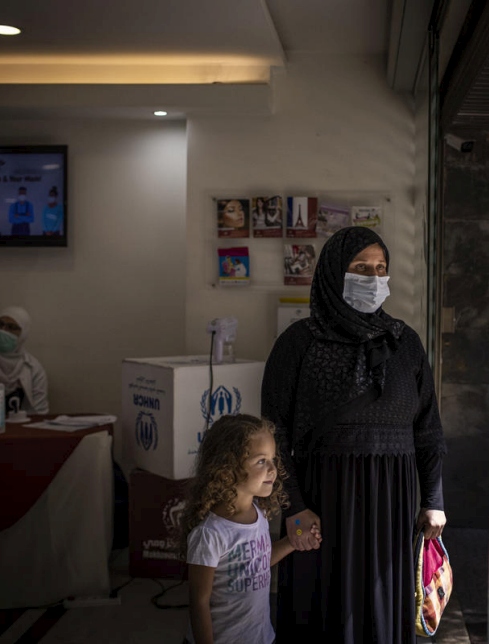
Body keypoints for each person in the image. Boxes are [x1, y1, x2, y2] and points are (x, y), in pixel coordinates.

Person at [262, 226, 447, 643]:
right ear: (332, 272)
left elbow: (428, 429)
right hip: (321, 500)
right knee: (323, 605)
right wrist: (293, 507)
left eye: (380, 268)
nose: (373, 277)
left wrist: (433, 500)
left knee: (384, 604)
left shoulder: (406, 343)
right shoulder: (298, 343)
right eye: (360, 267)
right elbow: (273, 430)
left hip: (393, 502)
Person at [181, 414, 321, 644]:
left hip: (260, 637)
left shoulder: (260, 514)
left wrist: (292, 540)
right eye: (261, 461)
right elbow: (199, 602)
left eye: (273, 459)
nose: (273, 469)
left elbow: (256, 563)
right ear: (227, 468)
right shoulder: (210, 533)